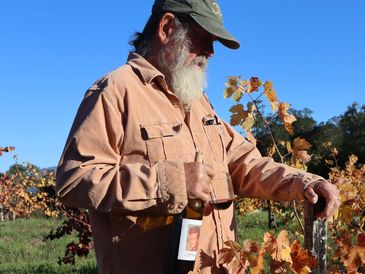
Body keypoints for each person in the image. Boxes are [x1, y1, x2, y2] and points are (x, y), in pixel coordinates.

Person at [55, 0, 340, 273]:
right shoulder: (115, 92)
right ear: (166, 28)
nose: (211, 52)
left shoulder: (196, 101)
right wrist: (171, 182)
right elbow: (75, 180)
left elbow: (245, 164)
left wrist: (306, 182)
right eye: (203, 39)